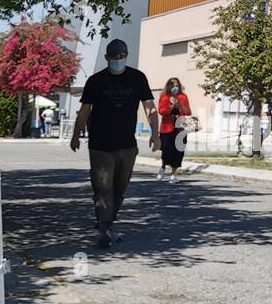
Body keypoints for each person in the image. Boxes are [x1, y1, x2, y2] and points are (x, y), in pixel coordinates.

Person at [70, 39, 160, 249]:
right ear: (107, 58)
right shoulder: (96, 81)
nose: (118, 60)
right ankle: (104, 227)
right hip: (100, 145)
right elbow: (85, 110)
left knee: (119, 188)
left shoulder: (137, 78)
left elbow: (150, 107)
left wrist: (155, 134)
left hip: (127, 145)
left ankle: (107, 223)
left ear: (126, 55)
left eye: (121, 56)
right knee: (102, 187)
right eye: (114, 57)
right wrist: (75, 134)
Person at [157, 77, 191, 180]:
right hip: (167, 128)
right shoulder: (164, 97)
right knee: (166, 149)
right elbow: (161, 111)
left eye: (177, 85)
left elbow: (188, 112)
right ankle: (163, 167)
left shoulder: (183, 97)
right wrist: (171, 107)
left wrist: (180, 106)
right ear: (168, 86)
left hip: (180, 128)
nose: (175, 87)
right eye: (173, 85)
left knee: (178, 151)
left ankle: (173, 174)